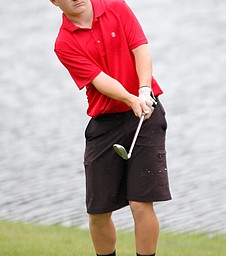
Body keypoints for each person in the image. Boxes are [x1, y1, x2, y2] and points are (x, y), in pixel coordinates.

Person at [49, 0, 172, 255]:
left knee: (140, 203)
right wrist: (130, 98)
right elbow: (99, 79)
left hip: (145, 115)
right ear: (54, 1)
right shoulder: (64, 43)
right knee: (98, 212)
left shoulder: (115, 6)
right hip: (105, 123)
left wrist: (144, 89)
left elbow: (140, 48)